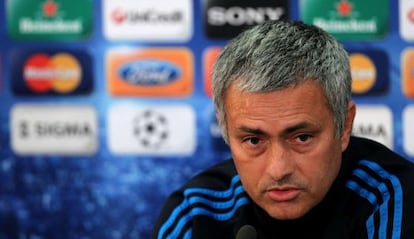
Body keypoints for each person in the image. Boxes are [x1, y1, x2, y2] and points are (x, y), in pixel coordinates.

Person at [151, 20, 414, 239]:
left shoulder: (394, 200)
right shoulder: (195, 212)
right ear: (226, 131)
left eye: (302, 137)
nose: (279, 169)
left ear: (344, 126)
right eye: (254, 140)